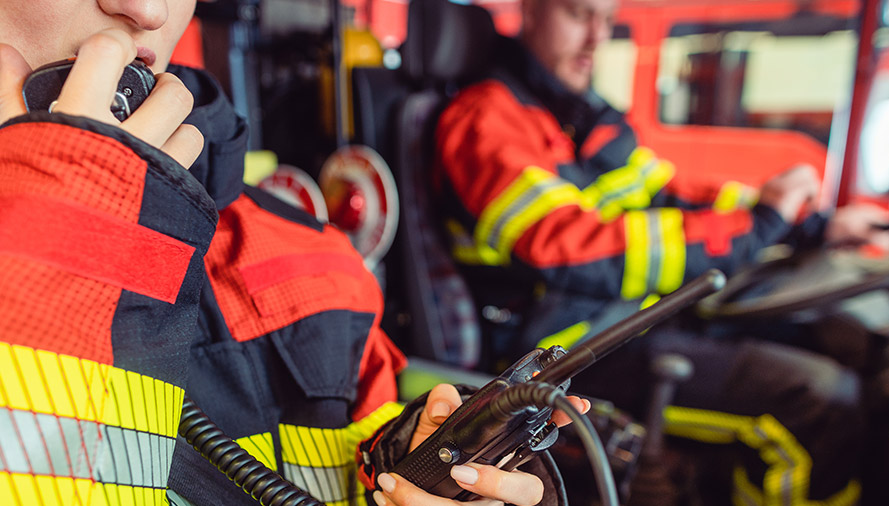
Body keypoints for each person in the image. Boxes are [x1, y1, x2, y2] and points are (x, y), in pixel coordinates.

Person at [0, 1, 588, 505]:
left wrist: (413, 464)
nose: (150, 11)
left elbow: (341, 466)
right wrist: (64, 245)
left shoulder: (314, 259)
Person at [431, 0, 889, 503]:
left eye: (607, 20)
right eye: (578, 14)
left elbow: (667, 194)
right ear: (531, 11)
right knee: (821, 403)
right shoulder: (485, 121)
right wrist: (759, 227)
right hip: (569, 352)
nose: (596, 37)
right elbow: (572, 248)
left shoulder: (574, 114)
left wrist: (804, 223)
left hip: (633, 318)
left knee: (848, 339)